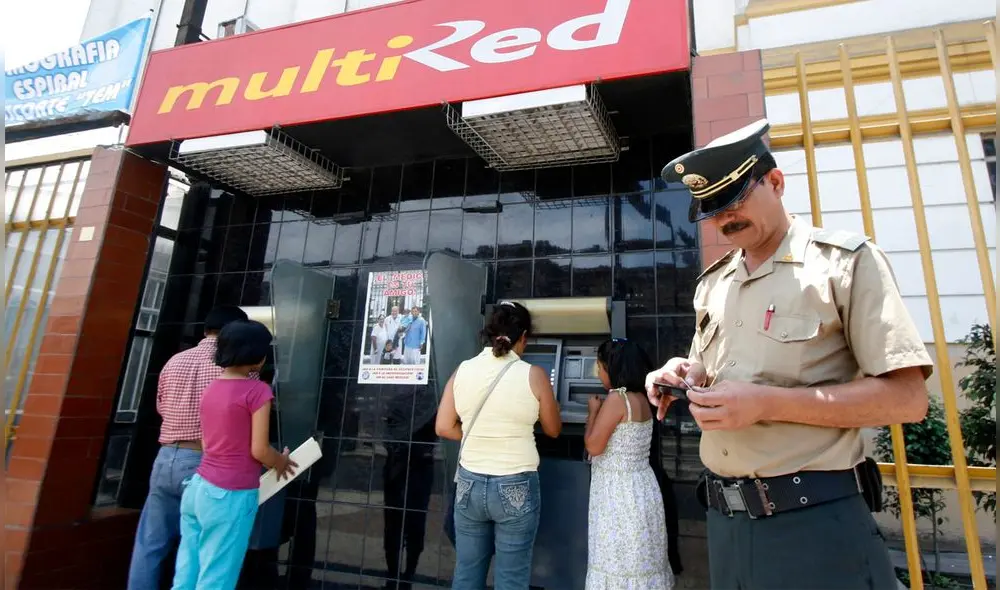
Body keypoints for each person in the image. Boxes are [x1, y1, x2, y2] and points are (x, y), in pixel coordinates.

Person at [646, 119, 933, 589]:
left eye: (735, 199)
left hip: (811, 521)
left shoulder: (843, 264)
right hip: (725, 519)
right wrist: (684, 372)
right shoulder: (714, 283)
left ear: (775, 183)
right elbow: (715, 368)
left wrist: (766, 403)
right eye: (712, 209)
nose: (725, 219)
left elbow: (907, 399)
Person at [435, 300, 563, 589]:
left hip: (469, 484)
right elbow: (553, 430)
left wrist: (479, 434)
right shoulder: (535, 375)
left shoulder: (463, 370)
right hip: (515, 483)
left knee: (467, 573)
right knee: (511, 578)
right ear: (524, 337)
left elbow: (443, 426)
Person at [127, 305, 250, 590]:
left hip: (166, 457)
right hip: (205, 462)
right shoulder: (234, 366)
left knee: (150, 544)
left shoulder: (174, 361)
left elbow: (161, 406)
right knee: (202, 549)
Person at [171, 320, 297, 590]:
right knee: (217, 577)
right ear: (259, 356)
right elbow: (260, 449)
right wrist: (282, 461)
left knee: (186, 571)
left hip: (198, 487)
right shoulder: (258, 391)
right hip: (229, 495)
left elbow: (206, 443)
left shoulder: (211, 388)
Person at [584, 338, 673, 589]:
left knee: (616, 560)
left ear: (612, 369)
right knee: (638, 559)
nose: (598, 373)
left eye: (599, 367)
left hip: (617, 494)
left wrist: (592, 412)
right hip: (641, 487)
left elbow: (593, 446)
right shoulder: (642, 398)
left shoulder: (616, 399)